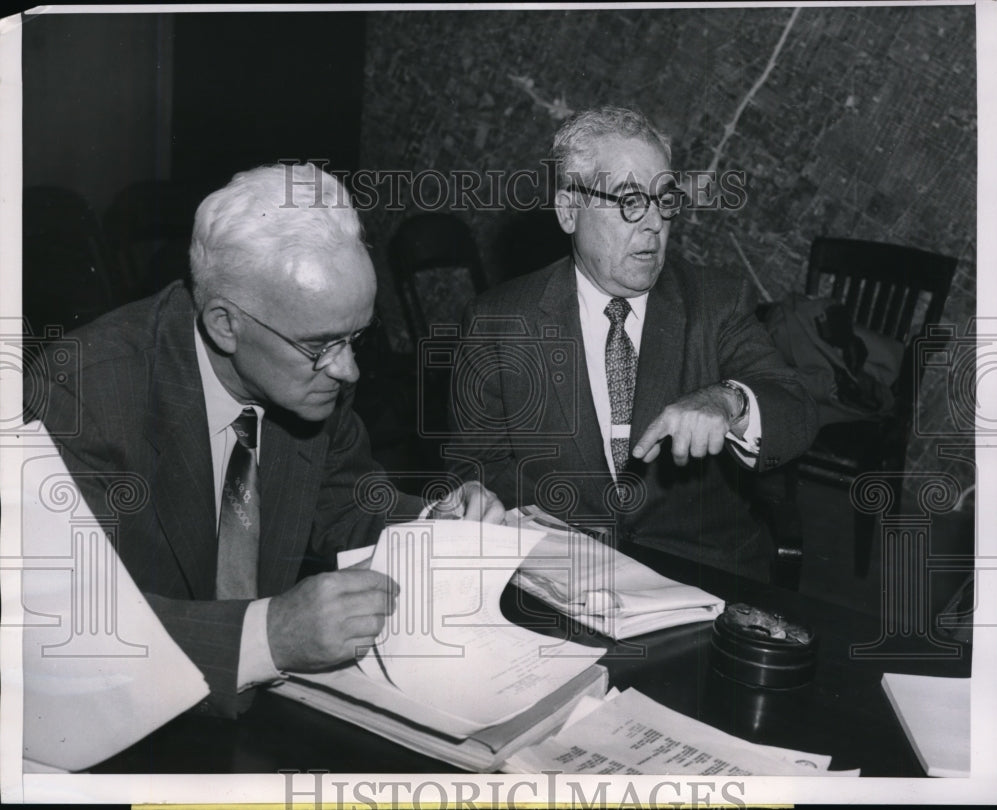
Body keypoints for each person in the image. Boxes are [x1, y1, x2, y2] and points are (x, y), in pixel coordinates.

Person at [35, 164, 504, 717]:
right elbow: (65, 636)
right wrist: (271, 634)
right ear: (224, 324)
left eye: (357, 338)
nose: (348, 370)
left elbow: (343, 500)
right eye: (322, 346)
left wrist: (436, 526)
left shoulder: (308, 369)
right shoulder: (79, 399)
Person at [449, 106, 817, 581]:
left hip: (700, 574)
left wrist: (729, 401)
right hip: (562, 578)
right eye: (628, 201)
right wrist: (484, 505)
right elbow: (472, 467)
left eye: (664, 201)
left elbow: (796, 406)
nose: (653, 224)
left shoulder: (715, 302)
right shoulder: (497, 322)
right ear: (568, 210)